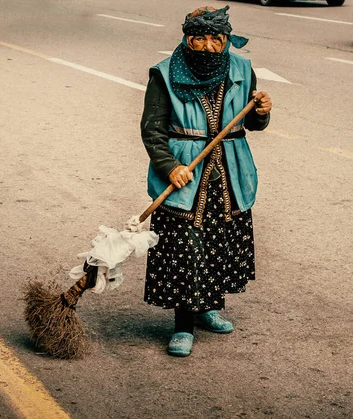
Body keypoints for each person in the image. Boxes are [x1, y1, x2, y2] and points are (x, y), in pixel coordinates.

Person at [140, 5, 272, 357]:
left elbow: (253, 124)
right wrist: (169, 166)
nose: (209, 46)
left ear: (227, 40)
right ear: (186, 38)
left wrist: (262, 112)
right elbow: (152, 130)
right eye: (199, 38)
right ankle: (183, 325)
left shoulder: (242, 69)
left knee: (219, 241)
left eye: (217, 38)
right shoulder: (165, 74)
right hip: (186, 178)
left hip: (229, 175)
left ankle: (207, 307)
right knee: (186, 248)